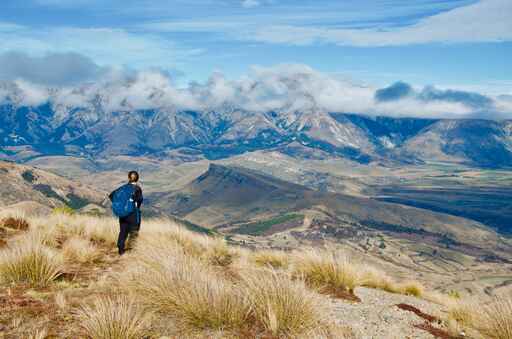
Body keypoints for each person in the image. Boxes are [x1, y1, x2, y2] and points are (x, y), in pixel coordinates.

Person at [109, 171, 143, 255]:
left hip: (123, 214)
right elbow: (140, 200)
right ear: (137, 179)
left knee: (123, 231)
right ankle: (131, 250)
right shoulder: (137, 189)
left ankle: (120, 250)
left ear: (128, 178)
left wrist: (121, 205)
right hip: (133, 213)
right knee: (134, 232)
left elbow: (111, 196)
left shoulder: (122, 188)